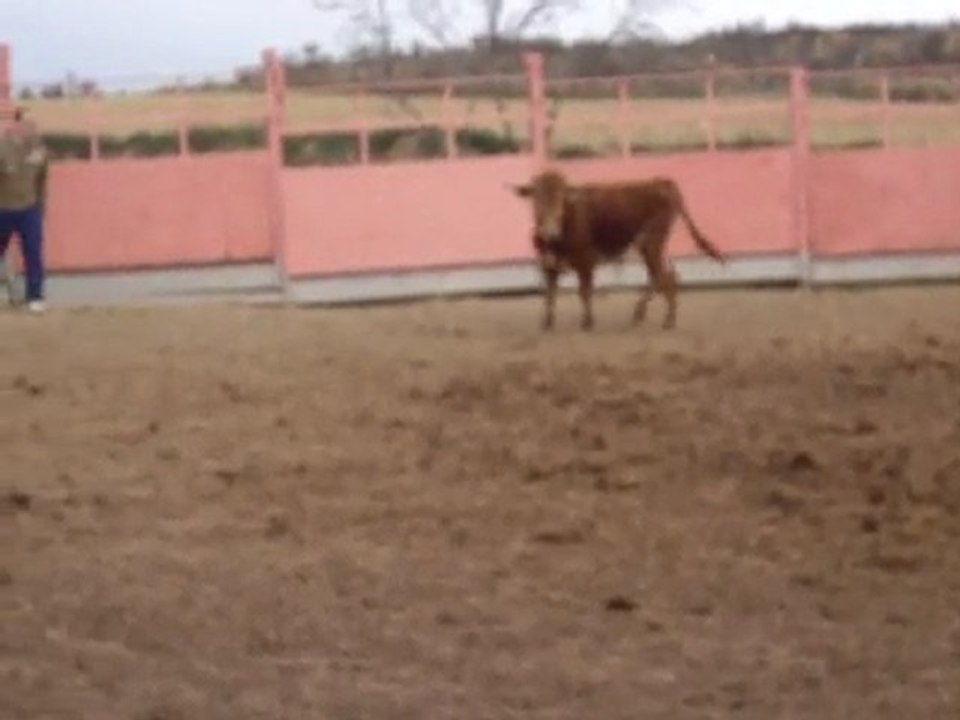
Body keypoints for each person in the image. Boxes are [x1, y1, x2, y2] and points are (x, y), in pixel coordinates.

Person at [0, 106, 48, 313]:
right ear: (17, 124)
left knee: (33, 253)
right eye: (27, 122)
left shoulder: (40, 151)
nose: (31, 127)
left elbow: (42, 181)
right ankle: (8, 293)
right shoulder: (2, 148)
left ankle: (35, 296)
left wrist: (41, 208)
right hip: (3, 209)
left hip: (30, 209)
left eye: (33, 123)